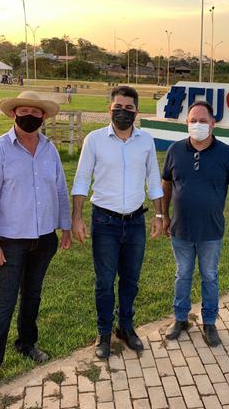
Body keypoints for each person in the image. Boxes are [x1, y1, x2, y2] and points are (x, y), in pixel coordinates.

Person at [0, 90, 72, 399]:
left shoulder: (49, 149)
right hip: (9, 242)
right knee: (3, 304)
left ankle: (27, 343)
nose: (30, 116)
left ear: (43, 116)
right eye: (24, 111)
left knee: (32, 295)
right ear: (14, 114)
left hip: (44, 239)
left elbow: (60, 190)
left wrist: (65, 226)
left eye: (36, 112)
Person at [71, 86, 163, 359]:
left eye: (129, 108)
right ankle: (104, 333)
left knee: (131, 280)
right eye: (118, 108)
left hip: (135, 222)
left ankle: (125, 327)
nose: (123, 112)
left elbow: (153, 179)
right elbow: (82, 179)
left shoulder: (146, 141)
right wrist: (77, 217)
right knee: (105, 281)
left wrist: (159, 214)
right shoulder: (94, 140)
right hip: (105, 221)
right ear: (109, 109)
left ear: (137, 111)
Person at [161, 100, 229, 347]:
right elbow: (166, 185)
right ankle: (180, 319)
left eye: (202, 121)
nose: (197, 125)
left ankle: (209, 322)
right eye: (193, 121)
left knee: (209, 276)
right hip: (181, 229)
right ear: (186, 123)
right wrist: (163, 215)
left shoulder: (227, 154)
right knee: (182, 274)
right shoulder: (175, 150)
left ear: (213, 123)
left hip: (211, 231)